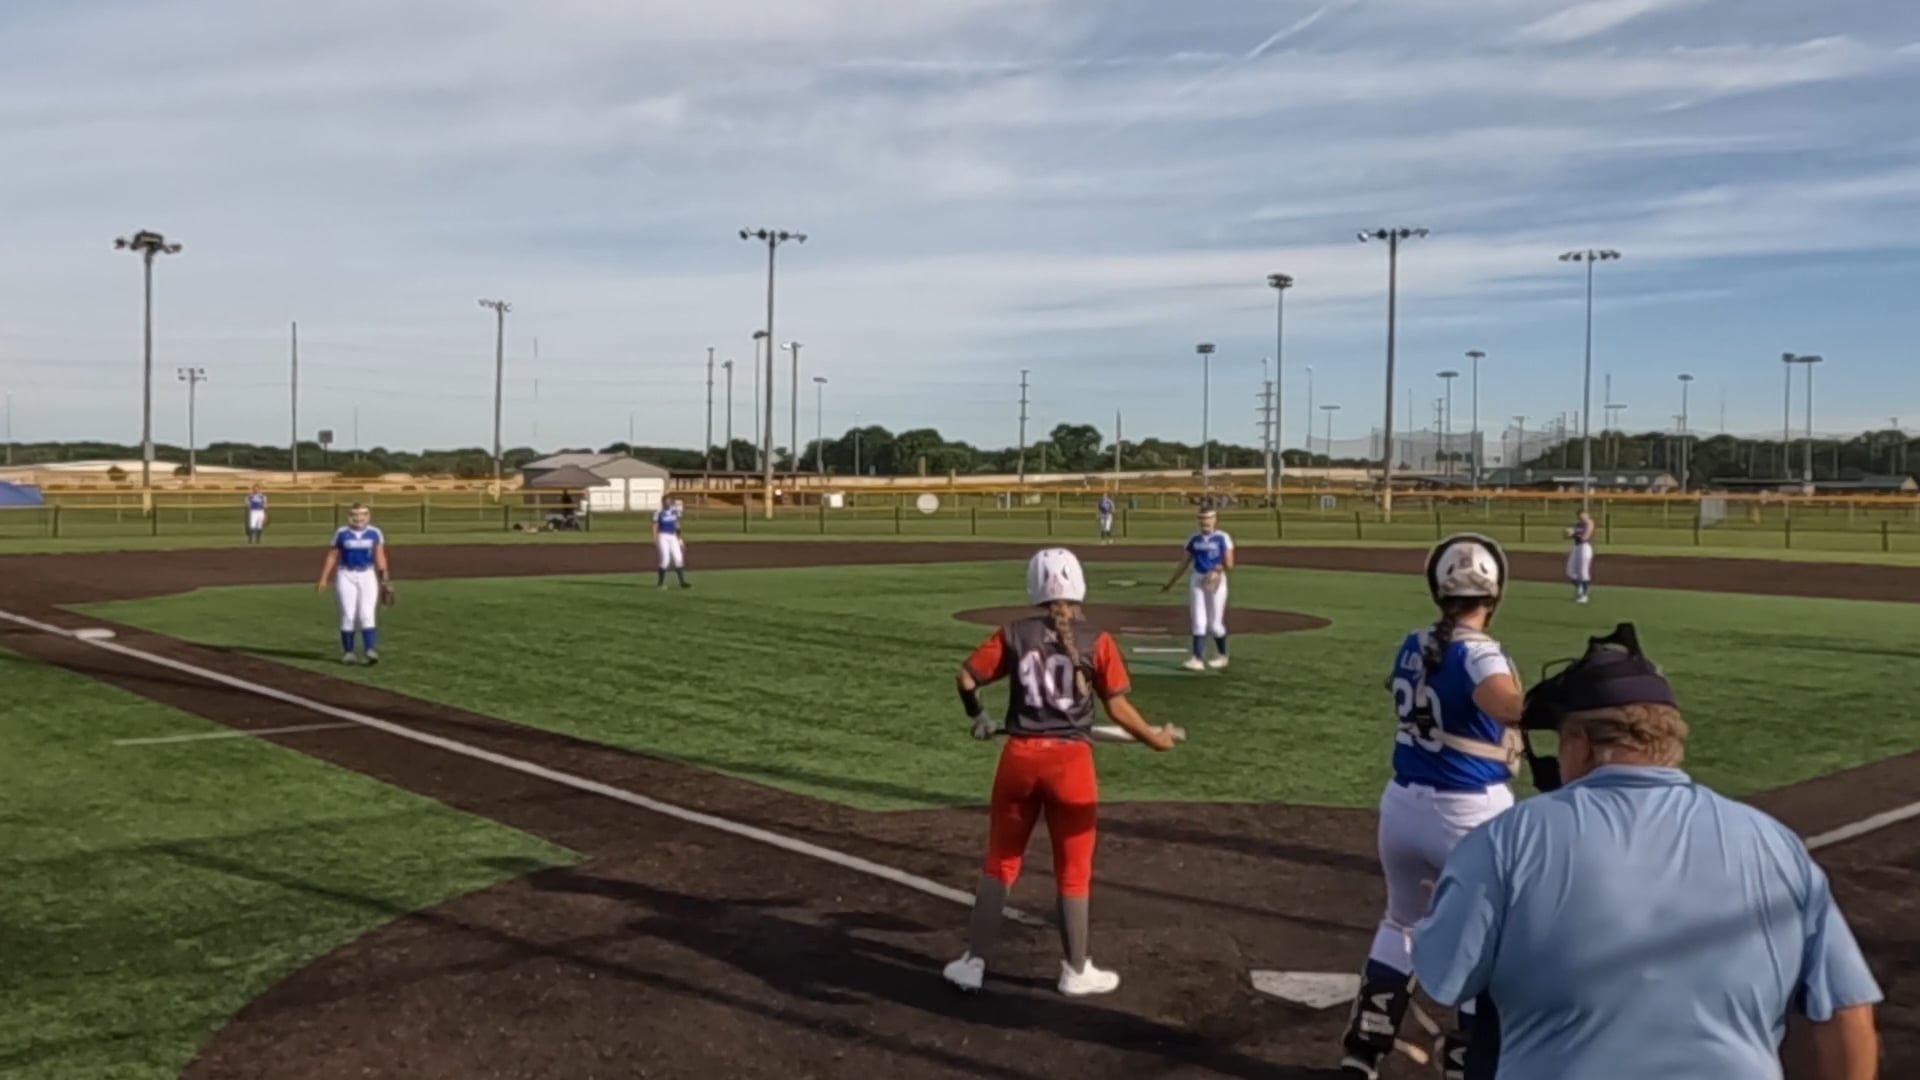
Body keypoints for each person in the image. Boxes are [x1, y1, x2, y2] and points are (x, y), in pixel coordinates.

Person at [1412, 623, 1883, 1080]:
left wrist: (1448, 910)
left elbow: (1445, 976)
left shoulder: (1505, 840)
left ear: (1580, 744)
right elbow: (1846, 1014)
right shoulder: (1776, 844)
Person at [944, 548, 1183, 997]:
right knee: (1073, 871)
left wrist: (978, 717)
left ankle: (973, 963)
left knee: (1000, 862)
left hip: (1019, 759)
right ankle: (1075, 970)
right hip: (1071, 765)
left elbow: (966, 679)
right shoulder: (1099, 640)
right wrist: (1156, 739)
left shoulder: (1013, 633)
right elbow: (1119, 708)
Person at [1339, 533, 1523, 1080]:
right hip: (1470, 814)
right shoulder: (1481, 653)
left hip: (1403, 808)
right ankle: (1469, 1063)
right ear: (1494, 593)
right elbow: (1508, 707)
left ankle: (1362, 1053)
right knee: (1487, 940)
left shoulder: (1412, 642)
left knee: (1401, 924)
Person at [1160, 508, 1234, 671]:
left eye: (1208, 518)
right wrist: (1171, 583)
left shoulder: (1223, 537)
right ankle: (1197, 658)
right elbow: (1184, 563)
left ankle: (1222, 656)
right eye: (1201, 518)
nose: (1204, 522)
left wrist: (1216, 570)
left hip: (1216, 580)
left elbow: (1229, 563)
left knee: (1215, 624)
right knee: (1198, 621)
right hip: (1198, 579)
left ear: (1214, 519)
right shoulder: (1193, 538)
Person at [316, 503, 389, 665]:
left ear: (367, 516)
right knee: (348, 614)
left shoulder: (375, 532)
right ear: (350, 516)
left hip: (367, 574)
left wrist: (385, 580)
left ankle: (370, 650)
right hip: (346, 574)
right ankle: (348, 652)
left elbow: (380, 556)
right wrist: (323, 578)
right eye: (355, 514)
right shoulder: (341, 533)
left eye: (362, 514)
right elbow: (332, 556)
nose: (358, 518)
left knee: (367, 613)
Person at [653, 497, 688, 589]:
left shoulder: (674, 511)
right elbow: (655, 526)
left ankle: (682, 582)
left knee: (678, 558)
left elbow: (677, 524)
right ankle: (660, 583)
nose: (668, 504)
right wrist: (655, 539)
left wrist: (680, 539)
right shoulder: (658, 512)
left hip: (673, 536)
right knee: (665, 559)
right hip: (663, 536)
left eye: (669, 502)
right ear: (663, 503)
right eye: (666, 502)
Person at [1566, 509, 1595, 603]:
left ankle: (1584, 596)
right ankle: (1580, 588)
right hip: (1576, 547)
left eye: (1583, 515)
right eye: (1579, 516)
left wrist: (1573, 534)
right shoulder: (1577, 524)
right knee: (1570, 572)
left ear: (1587, 515)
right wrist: (1568, 534)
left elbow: (1585, 537)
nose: (1581, 517)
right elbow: (1571, 536)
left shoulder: (1589, 522)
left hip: (1585, 547)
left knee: (1583, 572)